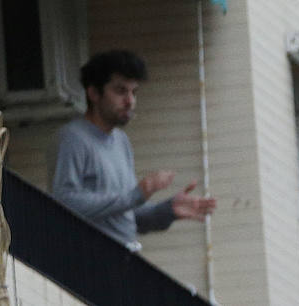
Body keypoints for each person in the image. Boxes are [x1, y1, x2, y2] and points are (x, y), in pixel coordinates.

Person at [48, 50, 217, 249]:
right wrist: (136, 195)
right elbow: (64, 203)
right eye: (121, 91)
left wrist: (168, 210)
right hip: (88, 262)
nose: (130, 101)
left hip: (125, 258)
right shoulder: (73, 138)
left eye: (133, 92)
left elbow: (131, 217)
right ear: (93, 93)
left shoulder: (121, 141)